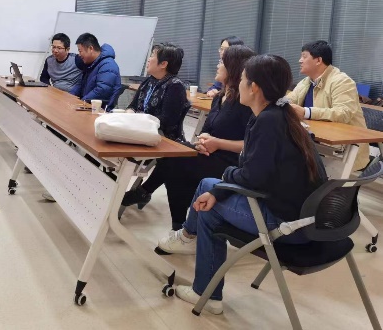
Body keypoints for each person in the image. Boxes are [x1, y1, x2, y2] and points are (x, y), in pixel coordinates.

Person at [164, 54, 327, 315]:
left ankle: (204, 288)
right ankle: (187, 238)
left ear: (254, 88)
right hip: (306, 218)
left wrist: (226, 176)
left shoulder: (269, 121)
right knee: (209, 185)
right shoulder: (280, 115)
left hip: (290, 226)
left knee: (209, 209)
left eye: (242, 79)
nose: (238, 83)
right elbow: (256, 171)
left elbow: (252, 177)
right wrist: (223, 185)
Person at [124, 46, 255, 232]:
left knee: (174, 162)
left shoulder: (244, 103)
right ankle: (179, 225)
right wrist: (201, 142)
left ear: (232, 68)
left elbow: (250, 145)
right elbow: (207, 131)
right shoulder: (219, 98)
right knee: (174, 157)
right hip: (209, 152)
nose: (217, 65)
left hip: (229, 161)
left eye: (221, 62)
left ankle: (179, 225)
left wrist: (217, 143)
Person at [288, 40, 369, 171]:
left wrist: (306, 112)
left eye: (304, 56)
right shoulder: (306, 82)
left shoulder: (342, 81)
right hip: (314, 143)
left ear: (318, 60)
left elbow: (343, 113)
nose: (300, 60)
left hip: (341, 149)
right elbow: (290, 100)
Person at [126, 43, 189, 141]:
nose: (148, 59)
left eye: (152, 56)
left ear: (163, 64)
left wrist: (137, 119)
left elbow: (166, 122)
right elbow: (132, 106)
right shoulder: (148, 81)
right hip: (141, 130)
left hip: (162, 138)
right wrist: (129, 113)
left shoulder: (175, 86)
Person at [70, 33, 121, 109]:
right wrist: (70, 97)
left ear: (91, 48)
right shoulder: (91, 64)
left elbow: (102, 90)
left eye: (80, 51)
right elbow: (80, 85)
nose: (79, 55)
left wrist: (82, 102)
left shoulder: (108, 65)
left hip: (100, 110)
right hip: (88, 106)